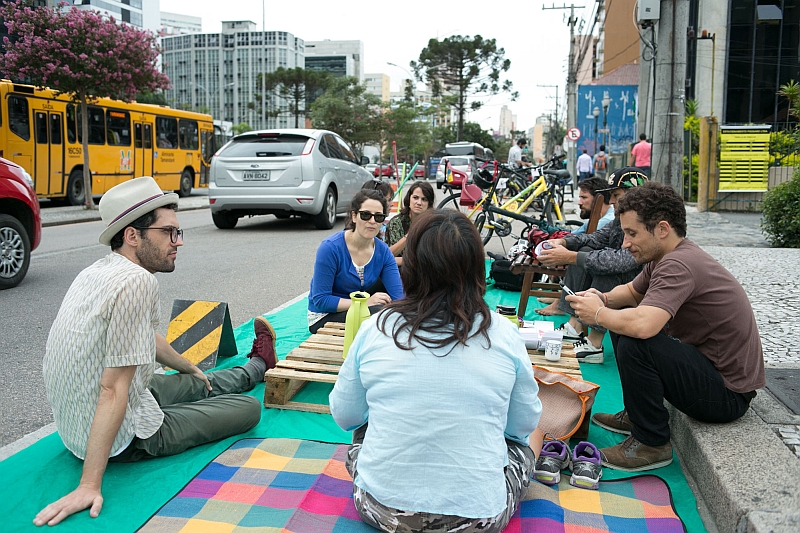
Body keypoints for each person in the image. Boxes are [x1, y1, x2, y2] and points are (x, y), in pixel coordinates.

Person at [36, 177, 273, 526]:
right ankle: (256, 369)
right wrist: (88, 485)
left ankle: (257, 367)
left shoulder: (98, 270)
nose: (178, 241)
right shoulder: (137, 281)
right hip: (124, 435)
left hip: (77, 426)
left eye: (178, 232)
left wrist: (189, 366)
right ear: (133, 235)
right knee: (249, 409)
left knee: (198, 380)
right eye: (168, 232)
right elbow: (113, 388)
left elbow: (146, 336)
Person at [330, 209, 543, 533]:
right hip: (477, 519)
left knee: (366, 425)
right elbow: (520, 427)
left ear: (411, 267)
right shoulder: (504, 333)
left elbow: (346, 416)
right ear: (477, 268)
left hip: (381, 508)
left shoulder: (376, 328)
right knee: (534, 435)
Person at [566, 182, 764, 472]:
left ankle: (651, 443)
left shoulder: (678, 265)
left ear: (662, 229)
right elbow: (631, 293)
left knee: (636, 337)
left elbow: (644, 326)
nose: (625, 243)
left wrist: (597, 314)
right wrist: (602, 298)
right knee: (624, 319)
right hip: (711, 373)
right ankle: (636, 414)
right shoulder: (669, 256)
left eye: (632, 233)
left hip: (727, 395)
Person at [537, 168, 648, 362]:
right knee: (585, 251)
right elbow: (596, 238)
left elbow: (623, 261)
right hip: (629, 277)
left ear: (634, 194)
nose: (611, 201)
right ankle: (575, 326)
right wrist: (564, 242)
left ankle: (595, 344)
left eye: (616, 195)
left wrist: (570, 257)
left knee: (605, 268)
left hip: (643, 284)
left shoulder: (647, 222)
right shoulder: (620, 218)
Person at [307, 189, 403, 334]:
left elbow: (398, 296)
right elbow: (321, 300)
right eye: (365, 215)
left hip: (357, 306)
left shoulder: (382, 251)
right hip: (324, 316)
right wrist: (364, 303)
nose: (372, 221)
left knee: (397, 306)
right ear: (354, 216)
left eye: (378, 217)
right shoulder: (330, 248)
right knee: (382, 313)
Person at [535, 177, 615, 317]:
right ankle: (562, 298)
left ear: (599, 198)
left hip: (604, 268)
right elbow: (577, 235)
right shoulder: (600, 218)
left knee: (580, 252)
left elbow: (586, 243)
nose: (579, 202)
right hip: (598, 261)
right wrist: (560, 241)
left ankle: (563, 303)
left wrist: (563, 249)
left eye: (584, 197)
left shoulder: (606, 221)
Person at [384, 180, 434, 266]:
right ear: (408, 199)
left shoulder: (433, 224)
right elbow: (389, 256)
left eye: (424, 199)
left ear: (429, 204)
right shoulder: (396, 222)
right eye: (415, 198)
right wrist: (411, 234)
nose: (419, 203)